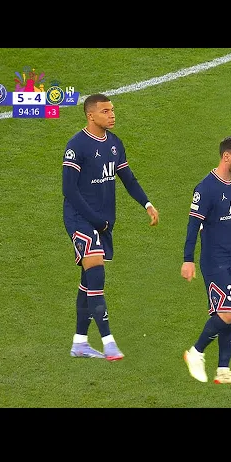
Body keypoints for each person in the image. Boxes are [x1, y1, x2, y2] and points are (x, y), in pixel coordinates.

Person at [62, 93, 159, 361]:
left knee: (88, 281)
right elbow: (69, 189)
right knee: (97, 276)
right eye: (105, 111)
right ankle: (109, 342)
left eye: (112, 110)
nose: (112, 114)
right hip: (80, 218)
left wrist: (147, 204)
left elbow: (128, 178)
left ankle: (80, 343)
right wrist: (94, 220)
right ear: (90, 115)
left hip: (103, 221)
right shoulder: (76, 146)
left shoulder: (115, 144)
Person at [181, 135, 231, 385]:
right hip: (216, 261)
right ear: (226, 156)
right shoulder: (205, 189)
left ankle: (223, 370)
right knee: (227, 312)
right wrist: (188, 260)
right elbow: (193, 226)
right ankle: (195, 353)